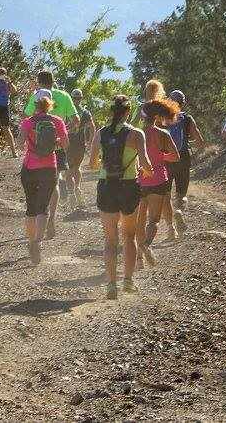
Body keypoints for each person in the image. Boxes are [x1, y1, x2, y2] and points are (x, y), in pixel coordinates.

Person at [87, 95, 153, 299]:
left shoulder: (101, 133)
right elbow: (147, 164)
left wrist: (106, 165)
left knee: (110, 240)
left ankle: (110, 285)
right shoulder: (136, 134)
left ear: (111, 112)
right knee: (129, 236)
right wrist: (146, 171)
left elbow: (92, 164)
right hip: (128, 187)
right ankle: (128, 281)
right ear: (128, 112)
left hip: (107, 186)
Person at [23, 71, 77, 238]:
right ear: (53, 81)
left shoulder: (36, 96)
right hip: (56, 148)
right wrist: (61, 136)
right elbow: (75, 120)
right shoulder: (64, 95)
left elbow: (27, 117)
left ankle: (38, 224)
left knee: (40, 186)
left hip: (34, 152)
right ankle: (51, 220)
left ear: (39, 82)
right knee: (54, 182)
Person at [20, 88, 69, 265]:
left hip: (29, 167)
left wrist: (31, 142)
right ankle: (37, 242)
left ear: (35, 104)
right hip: (49, 167)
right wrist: (54, 141)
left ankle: (30, 240)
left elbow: (20, 143)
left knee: (30, 207)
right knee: (43, 207)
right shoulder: (57, 121)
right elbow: (65, 145)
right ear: (50, 104)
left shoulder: (27, 122)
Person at [135, 98, 181, 267]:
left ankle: (139, 259)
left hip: (139, 179)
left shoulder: (136, 133)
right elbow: (176, 156)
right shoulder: (163, 134)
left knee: (139, 222)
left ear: (143, 116)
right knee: (153, 221)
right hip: (159, 180)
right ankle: (146, 245)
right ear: (158, 116)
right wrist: (161, 156)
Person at [166, 89, 205, 234]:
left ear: (169, 101)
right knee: (181, 193)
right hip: (183, 157)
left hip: (166, 159)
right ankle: (179, 210)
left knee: (165, 193)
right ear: (183, 103)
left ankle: (170, 227)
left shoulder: (162, 118)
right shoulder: (187, 118)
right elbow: (200, 141)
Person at [66, 88, 96, 207]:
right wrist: (90, 141)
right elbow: (92, 127)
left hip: (68, 143)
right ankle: (77, 188)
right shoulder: (85, 112)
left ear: (71, 98)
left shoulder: (68, 111)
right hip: (80, 144)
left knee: (69, 170)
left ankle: (72, 193)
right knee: (77, 168)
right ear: (81, 99)